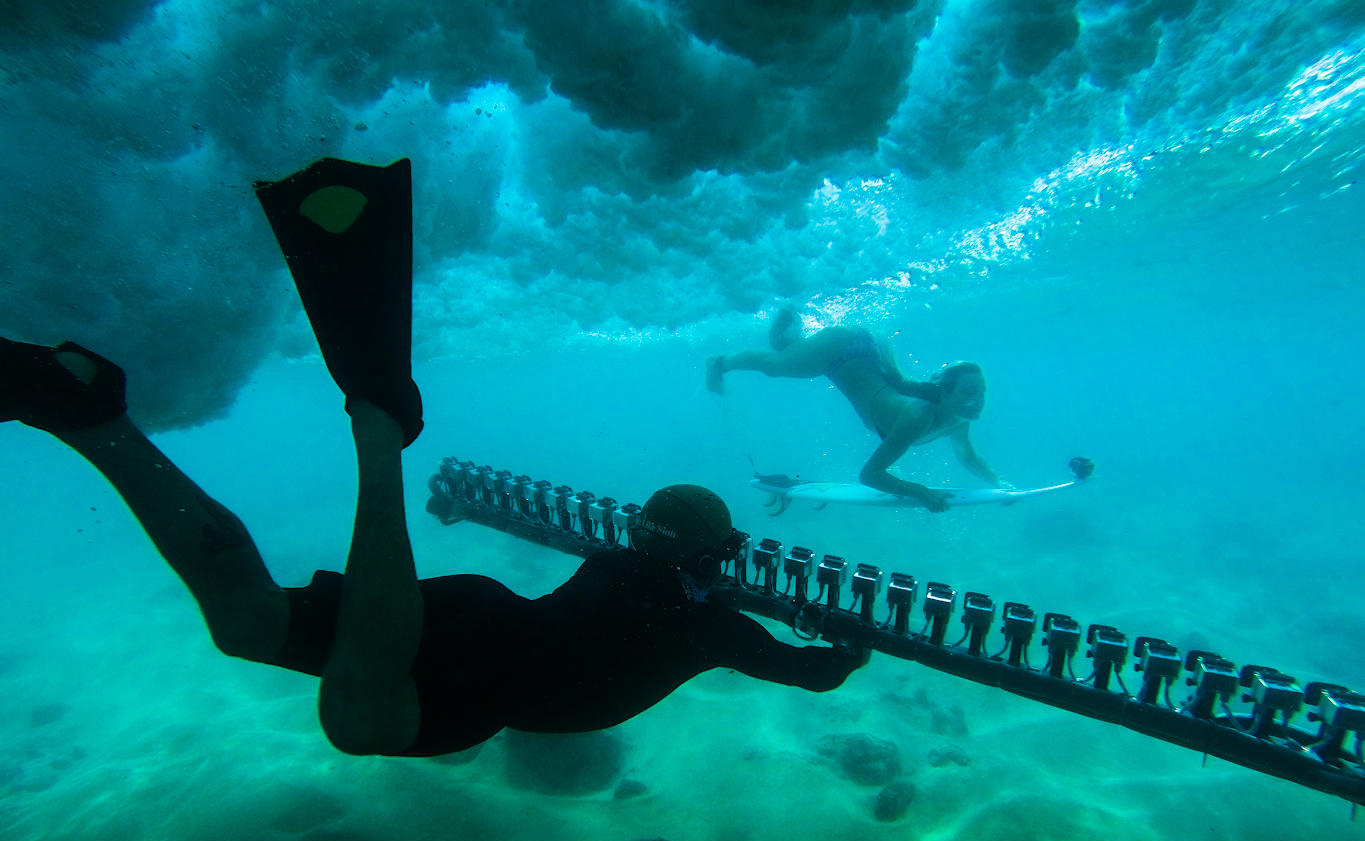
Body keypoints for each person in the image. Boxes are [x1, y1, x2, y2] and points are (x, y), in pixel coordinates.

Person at [0, 157, 866, 759]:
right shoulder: (715, 627)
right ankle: (377, 438)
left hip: (474, 624)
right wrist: (843, 639)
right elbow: (815, 674)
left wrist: (772, 611)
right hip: (476, 677)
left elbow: (655, 576)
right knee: (355, 719)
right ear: (712, 551)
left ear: (644, 532)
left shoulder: (616, 562)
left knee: (249, 622)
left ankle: (93, 420)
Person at [706, 309, 1010, 512]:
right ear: (945, 393)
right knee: (775, 366)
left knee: (790, 355)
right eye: (970, 392)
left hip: (869, 354)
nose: (978, 400)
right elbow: (870, 475)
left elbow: (967, 456)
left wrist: (999, 482)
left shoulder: (956, 418)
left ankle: (793, 340)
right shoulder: (919, 416)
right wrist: (920, 492)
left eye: (982, 391)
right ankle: (719, 363)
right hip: (843, 348)